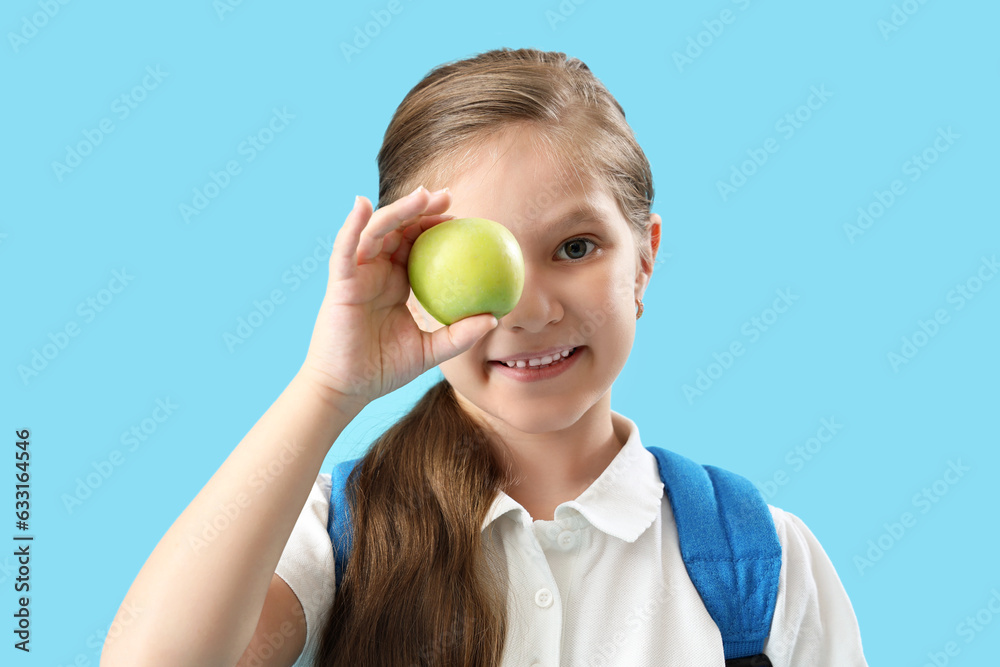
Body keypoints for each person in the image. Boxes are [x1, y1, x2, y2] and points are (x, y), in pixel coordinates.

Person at [100, 48, 868, 667]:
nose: (531, 310)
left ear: (644, 259)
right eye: (481, 256)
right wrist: (329, 387)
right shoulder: (333, 539)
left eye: (576, 247)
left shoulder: (759, 562)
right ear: (409, 281)